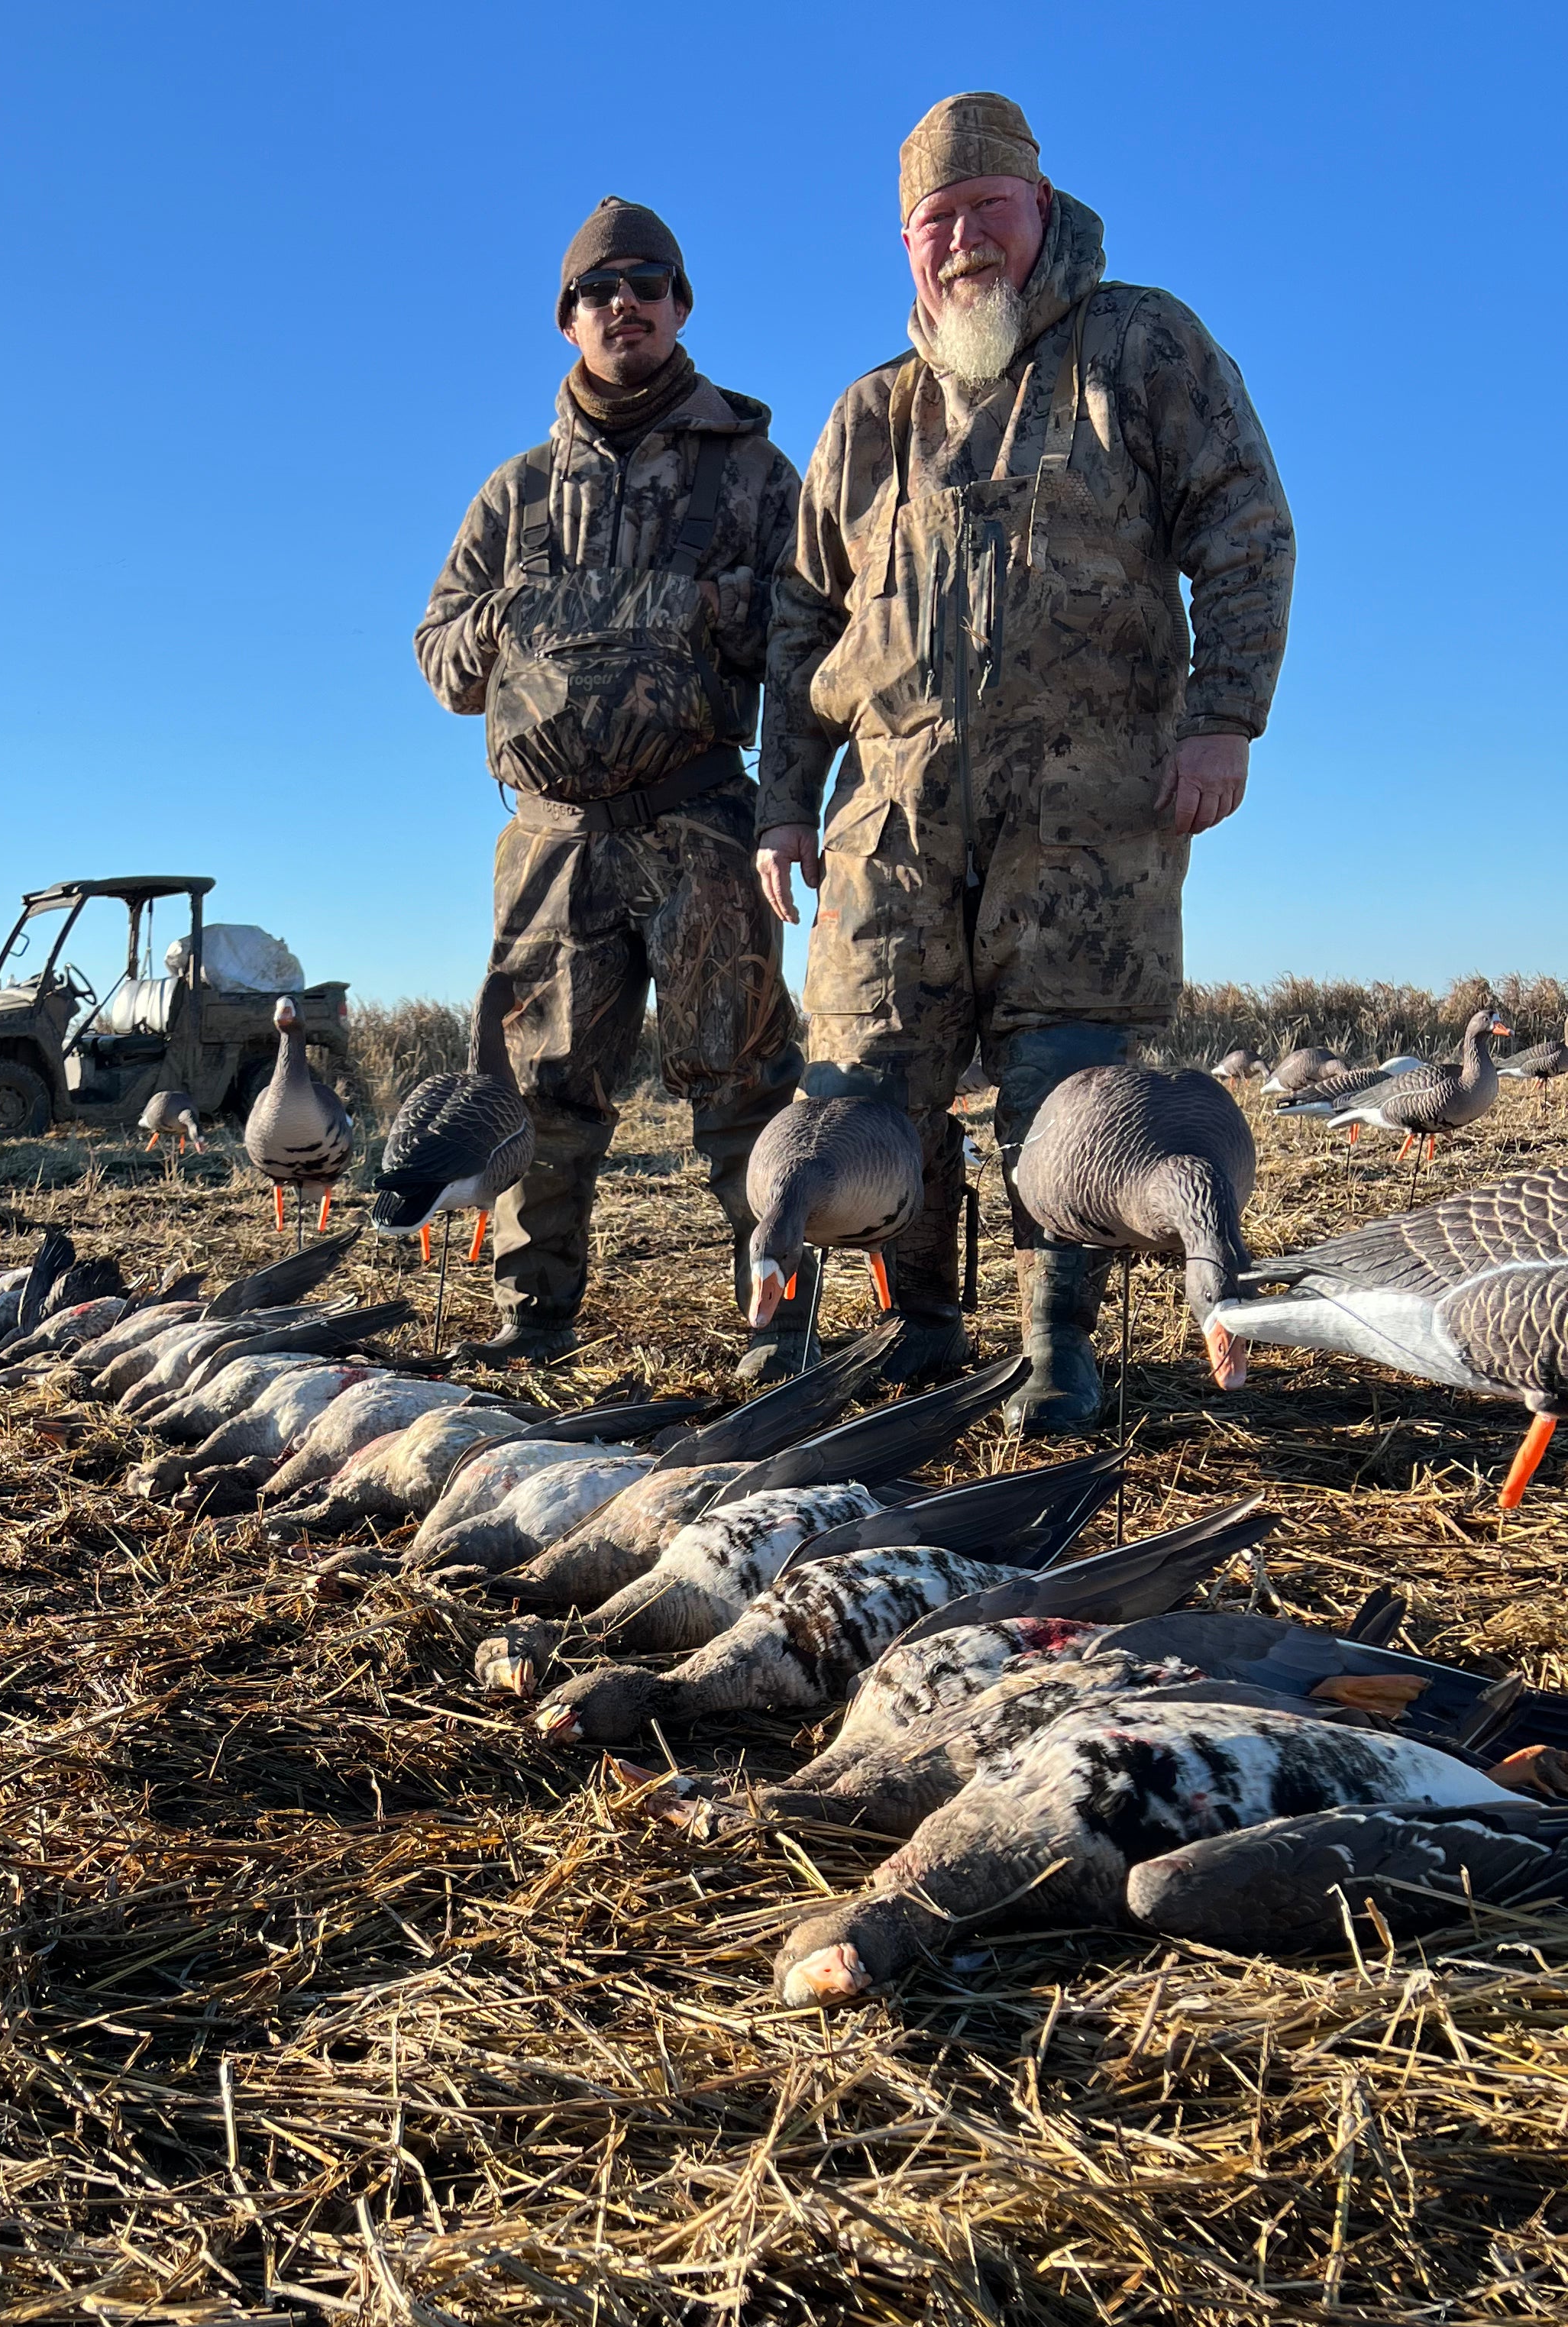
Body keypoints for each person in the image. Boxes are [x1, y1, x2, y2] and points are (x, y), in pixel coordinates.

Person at [755, 94, 1293, 1429]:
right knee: (871, 1078)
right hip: (889, 815)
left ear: (1041, 210)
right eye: (934, 224)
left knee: (1072, 1092)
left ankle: (1061, 1351)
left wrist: (1224, 714)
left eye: (986, 211)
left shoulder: (1141, 346)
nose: (962, 244)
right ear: (906, 246)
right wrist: (780, 807)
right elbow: (799, 625)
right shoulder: (870, 416)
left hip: (1089, 810)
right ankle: (917, 1328)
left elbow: (1243, 522)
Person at [417, 199, 806, 1372]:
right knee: (538, 1092)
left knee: (739, 1077)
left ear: (681, 304)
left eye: (647, 282)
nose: (622, 303)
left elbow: (807, 648)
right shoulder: (512, 495)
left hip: (699, 820)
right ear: (568, 320)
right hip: (549, 842)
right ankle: (532, 1318)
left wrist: (789, 798)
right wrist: (522, 616)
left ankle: (778, 1319)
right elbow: (439, 660)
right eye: (599, 289)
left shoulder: (756, 475)